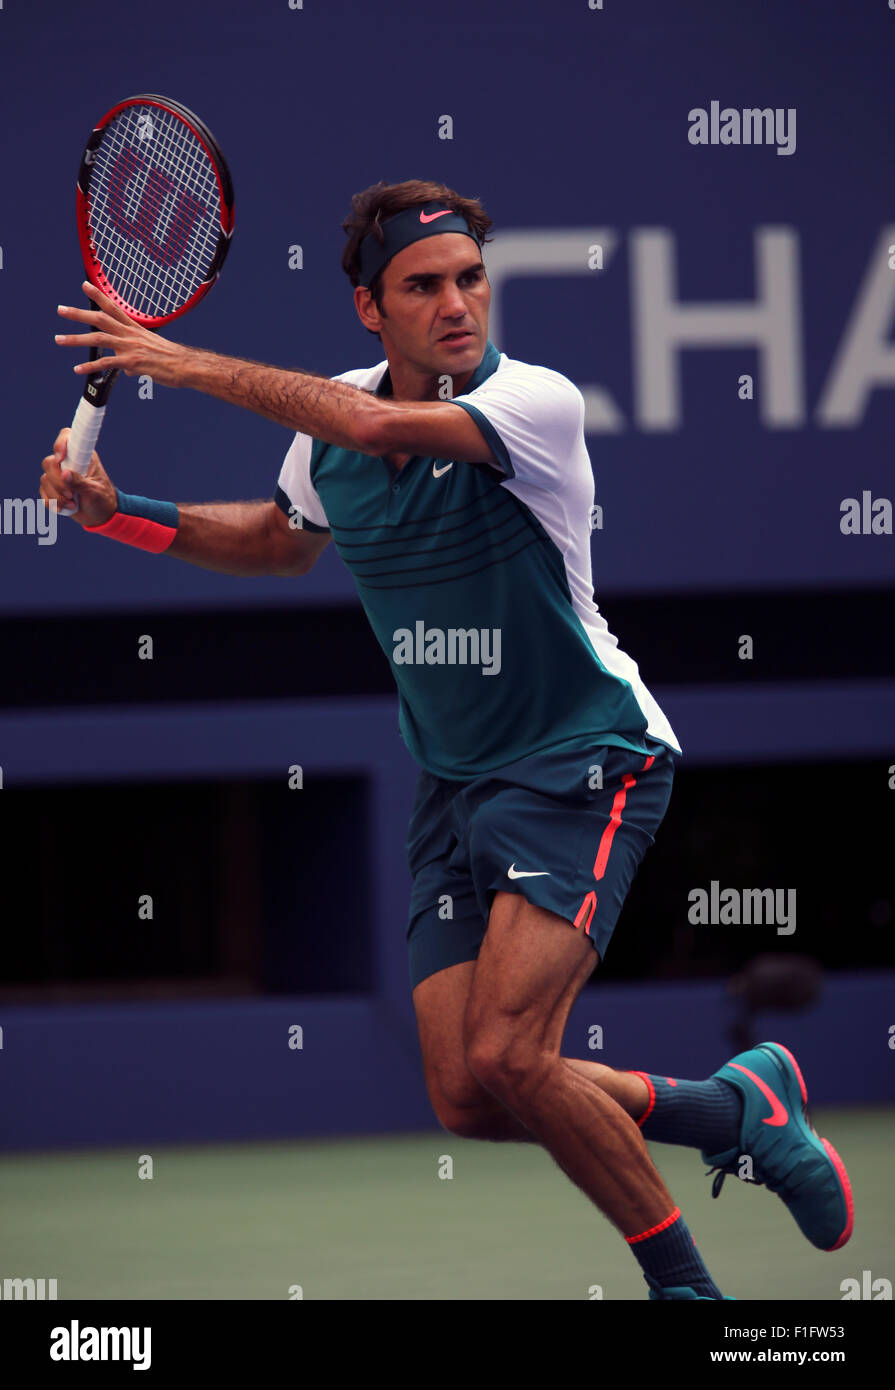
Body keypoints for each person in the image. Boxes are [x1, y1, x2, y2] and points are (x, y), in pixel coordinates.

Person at [43, 178, 852, 1298]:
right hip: (454, 783)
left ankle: (687, 1292)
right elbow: (281, 541)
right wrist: (115, 510)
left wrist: (178, 364)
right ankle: (736, 1109)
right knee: (471, 1097)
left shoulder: (534, 403)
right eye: (423, 286)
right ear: (371, 311)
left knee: (513, 1053)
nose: (457, 303)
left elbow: (374, 423)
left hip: (584, 755)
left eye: (470, 278)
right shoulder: (325, 423)